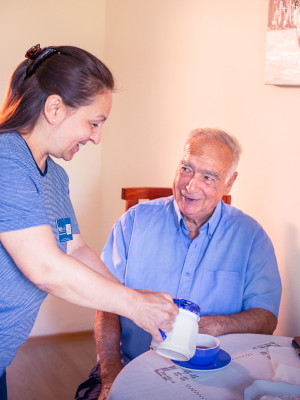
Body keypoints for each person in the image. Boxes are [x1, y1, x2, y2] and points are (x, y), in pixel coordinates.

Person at [0, 44, 178, 400]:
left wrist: (130, 296)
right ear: (55, 108)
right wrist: (134, 306)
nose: (96, 137)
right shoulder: (7, 160)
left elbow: (75, 248)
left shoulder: (54, 178)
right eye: (94, 123)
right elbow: (46, 268)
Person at [75, 128, 282, 400]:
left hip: (214, 379)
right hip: (130, 365)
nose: (190, 185)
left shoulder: (252, 237)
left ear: (229, 183)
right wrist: (111, 375)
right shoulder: (134, 222)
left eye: (208, 176)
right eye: (186, 168)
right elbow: (106, 304)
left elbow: (267, 318)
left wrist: (218, 325)